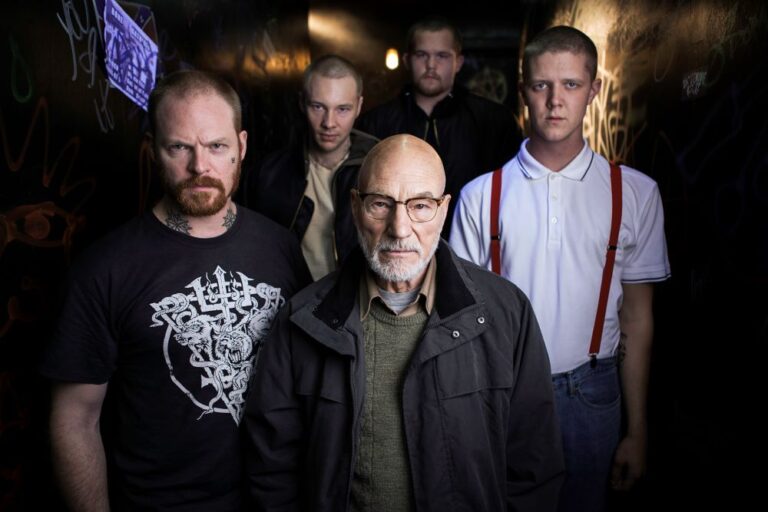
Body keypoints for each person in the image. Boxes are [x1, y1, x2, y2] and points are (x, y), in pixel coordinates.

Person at [244, 134, 564, 512]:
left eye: (421, 206)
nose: (399, 227)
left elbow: (535, 468)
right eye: (381, 204)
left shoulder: (506, 315)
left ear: (444, 210)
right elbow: (271, 471)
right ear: (355, 207)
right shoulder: (303, 321)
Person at [40, 70, 312, 511]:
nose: (200, 166)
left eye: (216, 146)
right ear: (153, 151)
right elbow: (75, 419)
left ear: (241, 146)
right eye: (179, 147)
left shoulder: (280, 247)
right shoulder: (105, 268)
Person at [450, 26, 671, 512]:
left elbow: (637, 319)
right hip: (504, 391)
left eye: (571, 84)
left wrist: (638, 430)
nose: (555, 100)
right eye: (542, 85)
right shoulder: (480, 196)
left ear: (594, 90)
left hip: (593, 393)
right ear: (524, 87)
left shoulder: (633, 194)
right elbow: (459, 327)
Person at [356, 17, 521, 236]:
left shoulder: (494, 120)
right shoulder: (375, 122)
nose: (431, 65)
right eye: (421, 55)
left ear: (458, 62)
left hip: (473, 248)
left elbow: (513, 195)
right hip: (397, 241)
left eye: (442, 56)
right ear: (407, 60)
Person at [238, 54, 378, 280]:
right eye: (318, 107)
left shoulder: (380, 169)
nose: (329, 122)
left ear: (359, 106)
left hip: (358, 303)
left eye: (342, 109)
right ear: (302, 102)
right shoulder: (268, 175)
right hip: (291, 301)